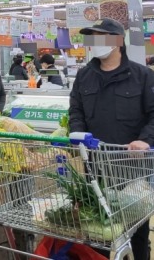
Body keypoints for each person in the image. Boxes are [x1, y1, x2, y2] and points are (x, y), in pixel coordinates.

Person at [68, 18, 154, 260]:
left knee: (137, 228)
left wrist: (145, 139)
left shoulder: (142, 76)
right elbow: (76, 111)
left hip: (131, 166)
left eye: (100, 38)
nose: (94, 44)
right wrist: (77, 134)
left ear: (117, 42)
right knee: (98, 227)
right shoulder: (84, 76)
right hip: (96, 165)